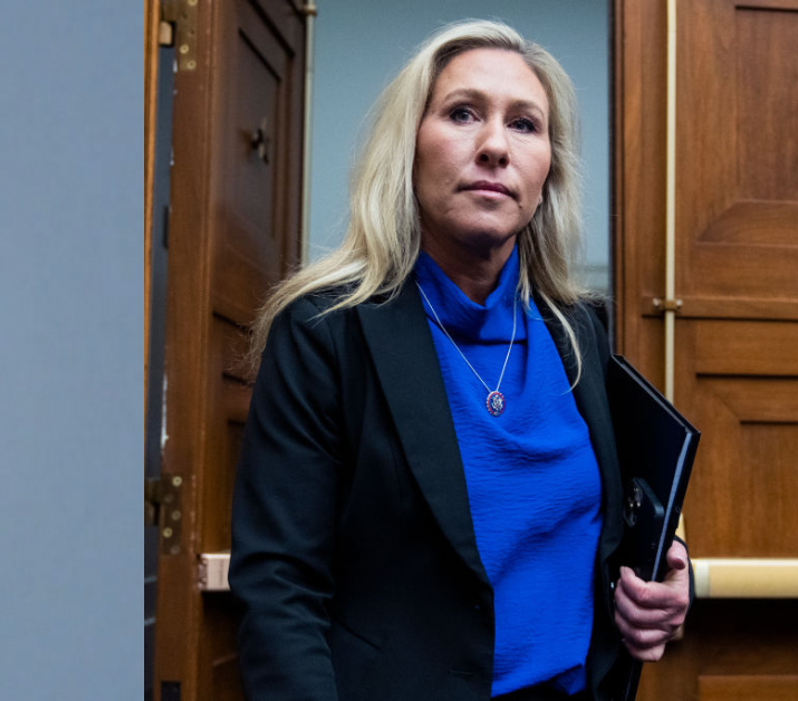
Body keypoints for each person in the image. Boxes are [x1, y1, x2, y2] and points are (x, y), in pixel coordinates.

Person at [228, 19, 690, 701]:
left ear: (547, 173)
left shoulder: (578, 331)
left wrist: (665, 571)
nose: (494, 146)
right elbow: (278, 590)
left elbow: (613, 516)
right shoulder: (325, 333)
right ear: (408, 146)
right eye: (462, 113)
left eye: (524, 124)